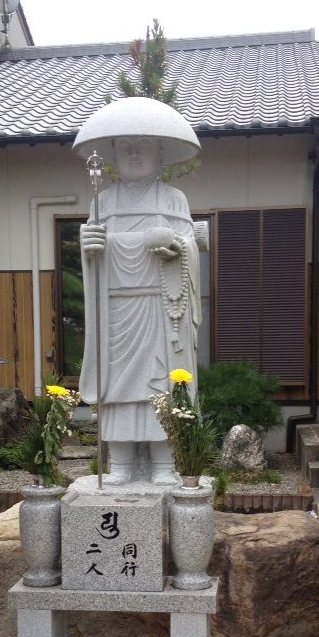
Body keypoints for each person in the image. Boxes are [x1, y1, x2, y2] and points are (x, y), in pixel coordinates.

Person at [79, 134, 201, 484]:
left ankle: (164, 464)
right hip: (116, 308)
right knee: (117, 385)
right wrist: (89, 245)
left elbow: (191, 245)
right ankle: (121, 464)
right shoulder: (103, 201)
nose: (134, 154)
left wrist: (177, 248)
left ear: (160, 154)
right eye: (126, 148)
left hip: (160, 306)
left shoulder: (173, 199)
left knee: (161, 386)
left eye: (143, 147)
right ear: (113, 155)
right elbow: (93, 249)